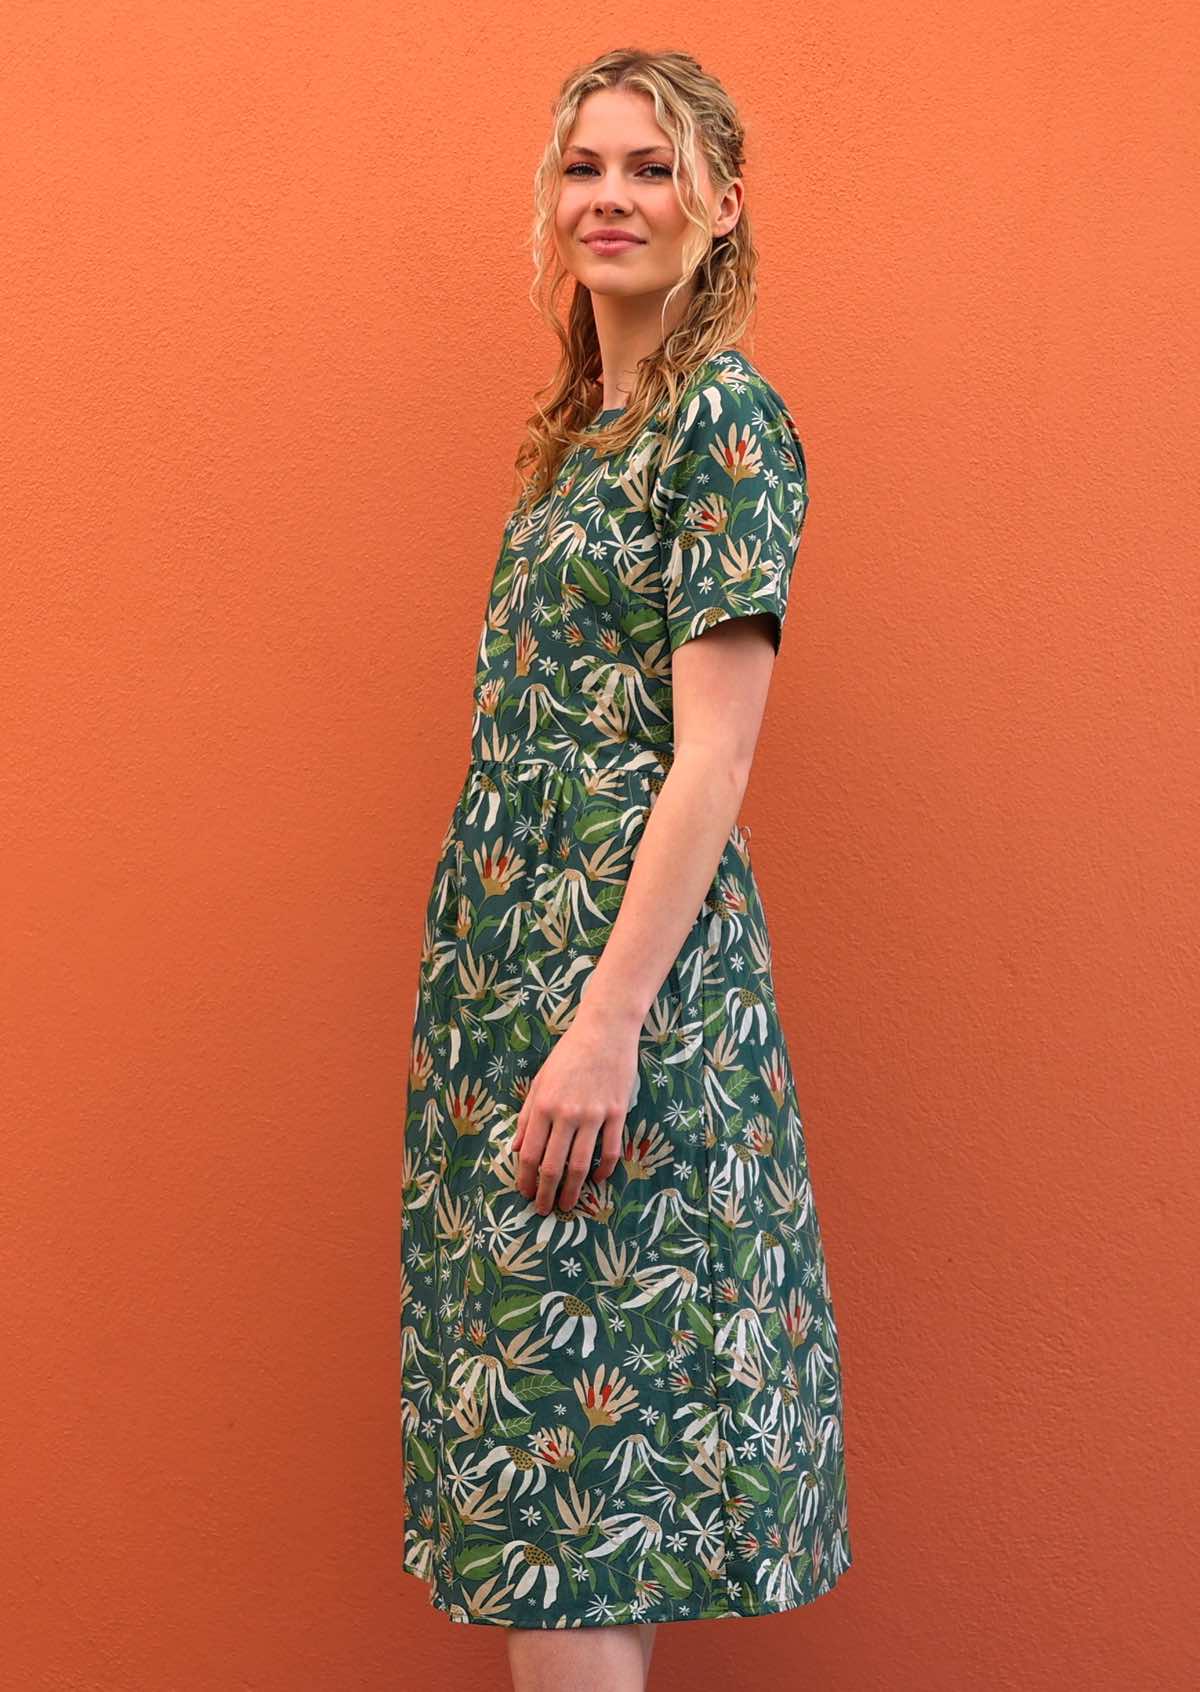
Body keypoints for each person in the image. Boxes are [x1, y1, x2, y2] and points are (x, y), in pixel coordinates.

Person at [400, 47, 853, 1689]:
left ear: (721, 206)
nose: (613, 197)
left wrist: (605, 1027)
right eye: (587, 167)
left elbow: (712, 761)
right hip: (516, 997)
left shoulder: (721, 423)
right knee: (546, 1468)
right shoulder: (580, 435)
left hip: (615, 1001)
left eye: (653, 168)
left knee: (576, 1483)